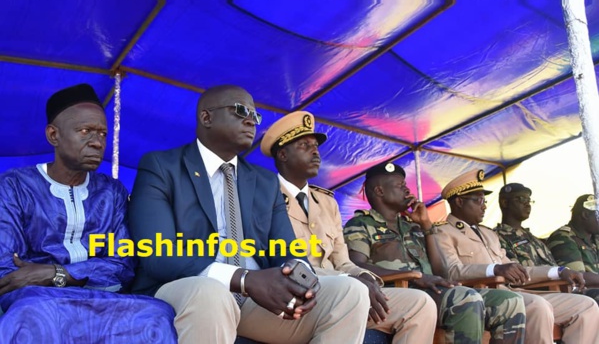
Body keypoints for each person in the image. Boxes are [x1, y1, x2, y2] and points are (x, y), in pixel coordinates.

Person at [129, 85, 370, 344]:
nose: (250, 120)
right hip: (188, 287)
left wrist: (298, 277)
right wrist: (244, 279)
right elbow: (156, 253)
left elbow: (289, 250)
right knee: (210, 293)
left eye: (255, 116)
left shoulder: (264, 182)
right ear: (206, 117)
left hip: (257, 299)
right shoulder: (161, 166)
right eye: (240, 110)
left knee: (350, 291)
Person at [0, 83, 176, 342]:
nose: (97, 142)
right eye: (85, 131)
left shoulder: (112, 192)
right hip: (37, 300)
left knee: (156, 315)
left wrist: (53, 273)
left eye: (103, 134)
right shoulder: (14, 186)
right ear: (53, 135)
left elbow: (121, 264)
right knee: (34, 314)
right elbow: (8, 269)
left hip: (103, 296)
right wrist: (86, 272)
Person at [261, 112, 437, 344]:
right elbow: (277, 263)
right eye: (305, 145)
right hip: (300, 293)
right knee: (349, 289)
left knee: (420, 304)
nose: (315, 152)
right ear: (282, 154)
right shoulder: (264, 196)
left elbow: (343, 262)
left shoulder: (326, 202)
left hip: (345, 288)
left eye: (316, 146)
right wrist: (350, 280)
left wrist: (365, 276)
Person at [343, 162, 526, 344]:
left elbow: (442, 271)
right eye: (400, 186)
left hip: (433, 291)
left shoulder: (412, 227)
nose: (407, 190)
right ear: (380, 191)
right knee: (466, 299)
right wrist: (416, 277)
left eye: (406, 185)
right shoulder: (360, 224)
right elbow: (357, 265)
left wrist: (426, 226)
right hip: (398, 293)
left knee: (510, 301)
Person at [432, 169, 599, 344]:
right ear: (459, 201)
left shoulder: (488, 234)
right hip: (482, 298)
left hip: (516, 292)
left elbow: (518, 270)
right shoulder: (442, 232)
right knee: (538, 306)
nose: (484, 206)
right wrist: (495, 269)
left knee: (585, 306)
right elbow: (450, 271)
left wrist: (558, 271)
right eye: (478, 200)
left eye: (484, 200)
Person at [495, 183, 599, 303]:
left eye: (529, 200)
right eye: (521, 199)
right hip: (535, 294)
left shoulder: (534, 239)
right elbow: (517, 276)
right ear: (505, 203)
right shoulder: (497, 237)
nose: (527, 204)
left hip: (560, 290)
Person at [547, 194, 599, 277]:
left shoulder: (595, 237)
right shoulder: (563, 238)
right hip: (583, 289)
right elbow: (577, 277)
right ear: (585, 215)